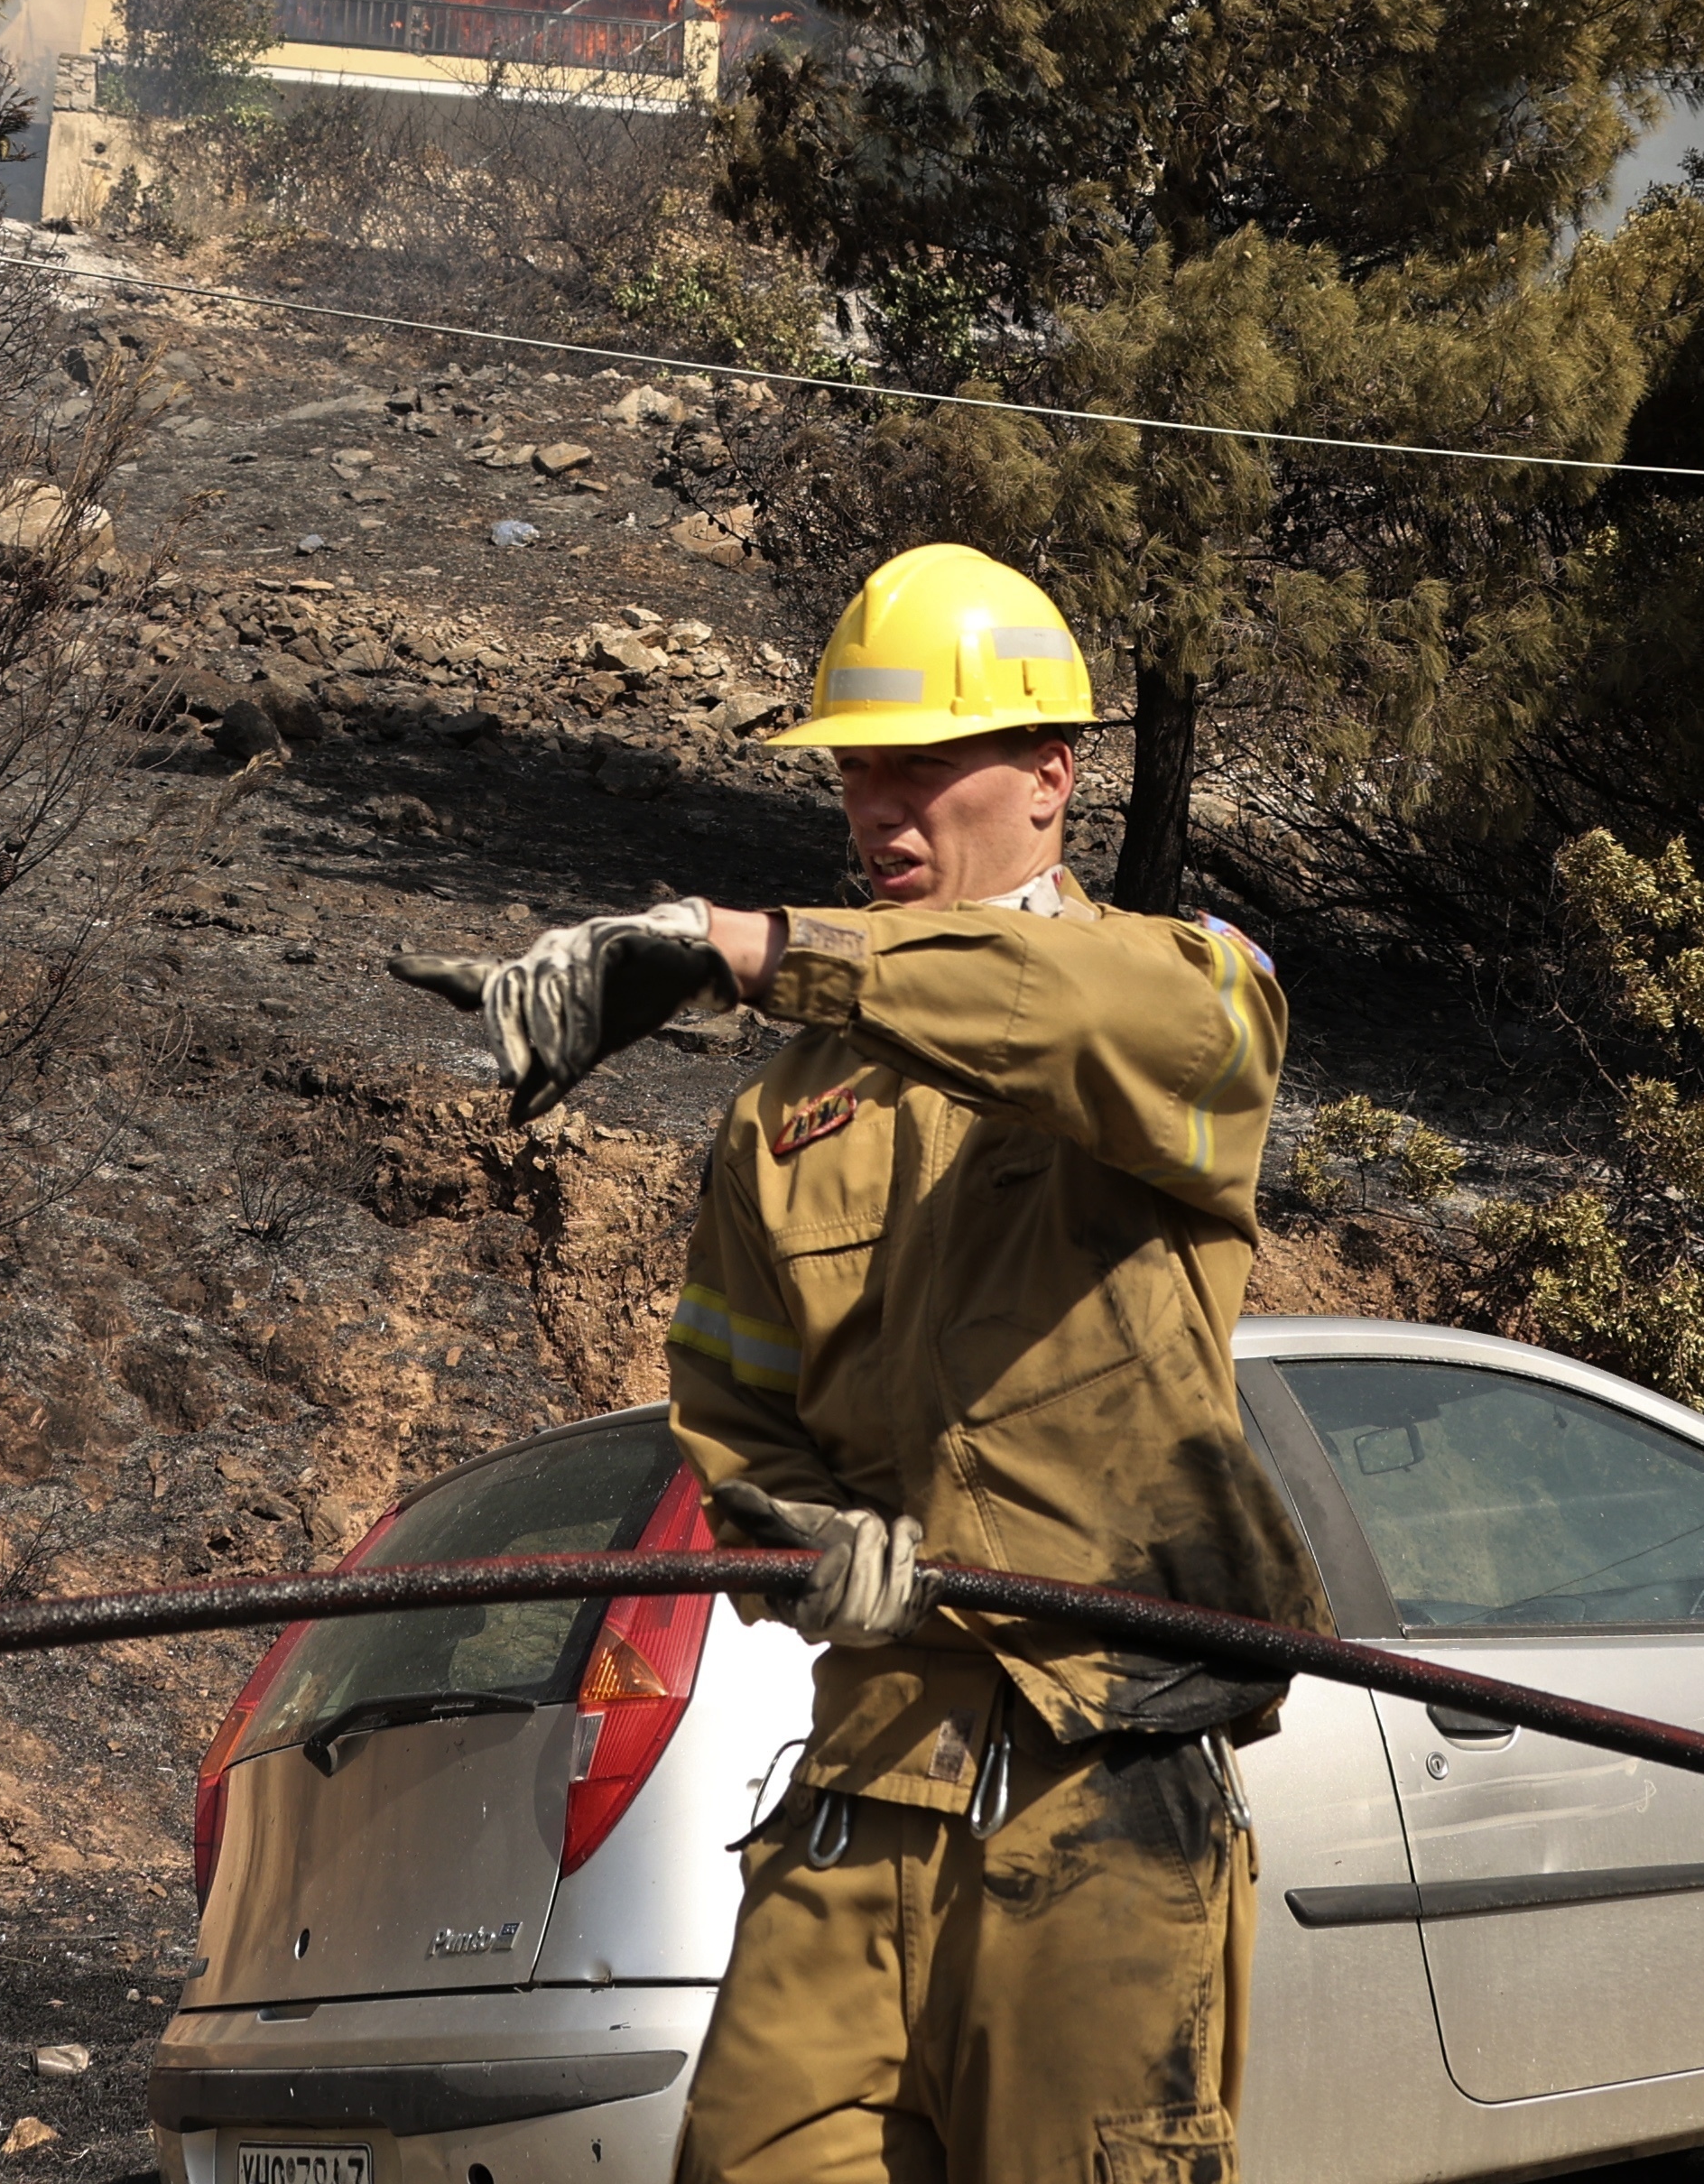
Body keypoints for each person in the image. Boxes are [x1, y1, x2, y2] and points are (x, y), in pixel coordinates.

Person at [391, 542, 1322, 2184]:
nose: (878, 815)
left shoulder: (1191, 1001)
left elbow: (1067, 1009)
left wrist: (735, 946)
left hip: (1100, 1773)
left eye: (922, 768)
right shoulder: (784, 1115)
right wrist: (795, 1539)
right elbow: (731, 1417)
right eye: (855, 774)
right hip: (864, 1776)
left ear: (1051, 777)